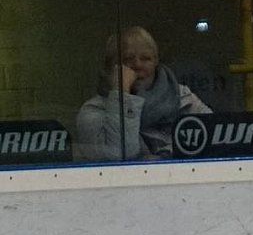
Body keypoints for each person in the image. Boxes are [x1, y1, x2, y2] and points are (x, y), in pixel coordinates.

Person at [75, 26, 212, 161]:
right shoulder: (93, 111)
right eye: (128, 59)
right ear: (111, 66)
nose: (138, 65)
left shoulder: (182, 97)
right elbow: (118, 156)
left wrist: (163, 155)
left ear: (156, 62)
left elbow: (214, 140)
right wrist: (121, 93)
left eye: (146, 58)